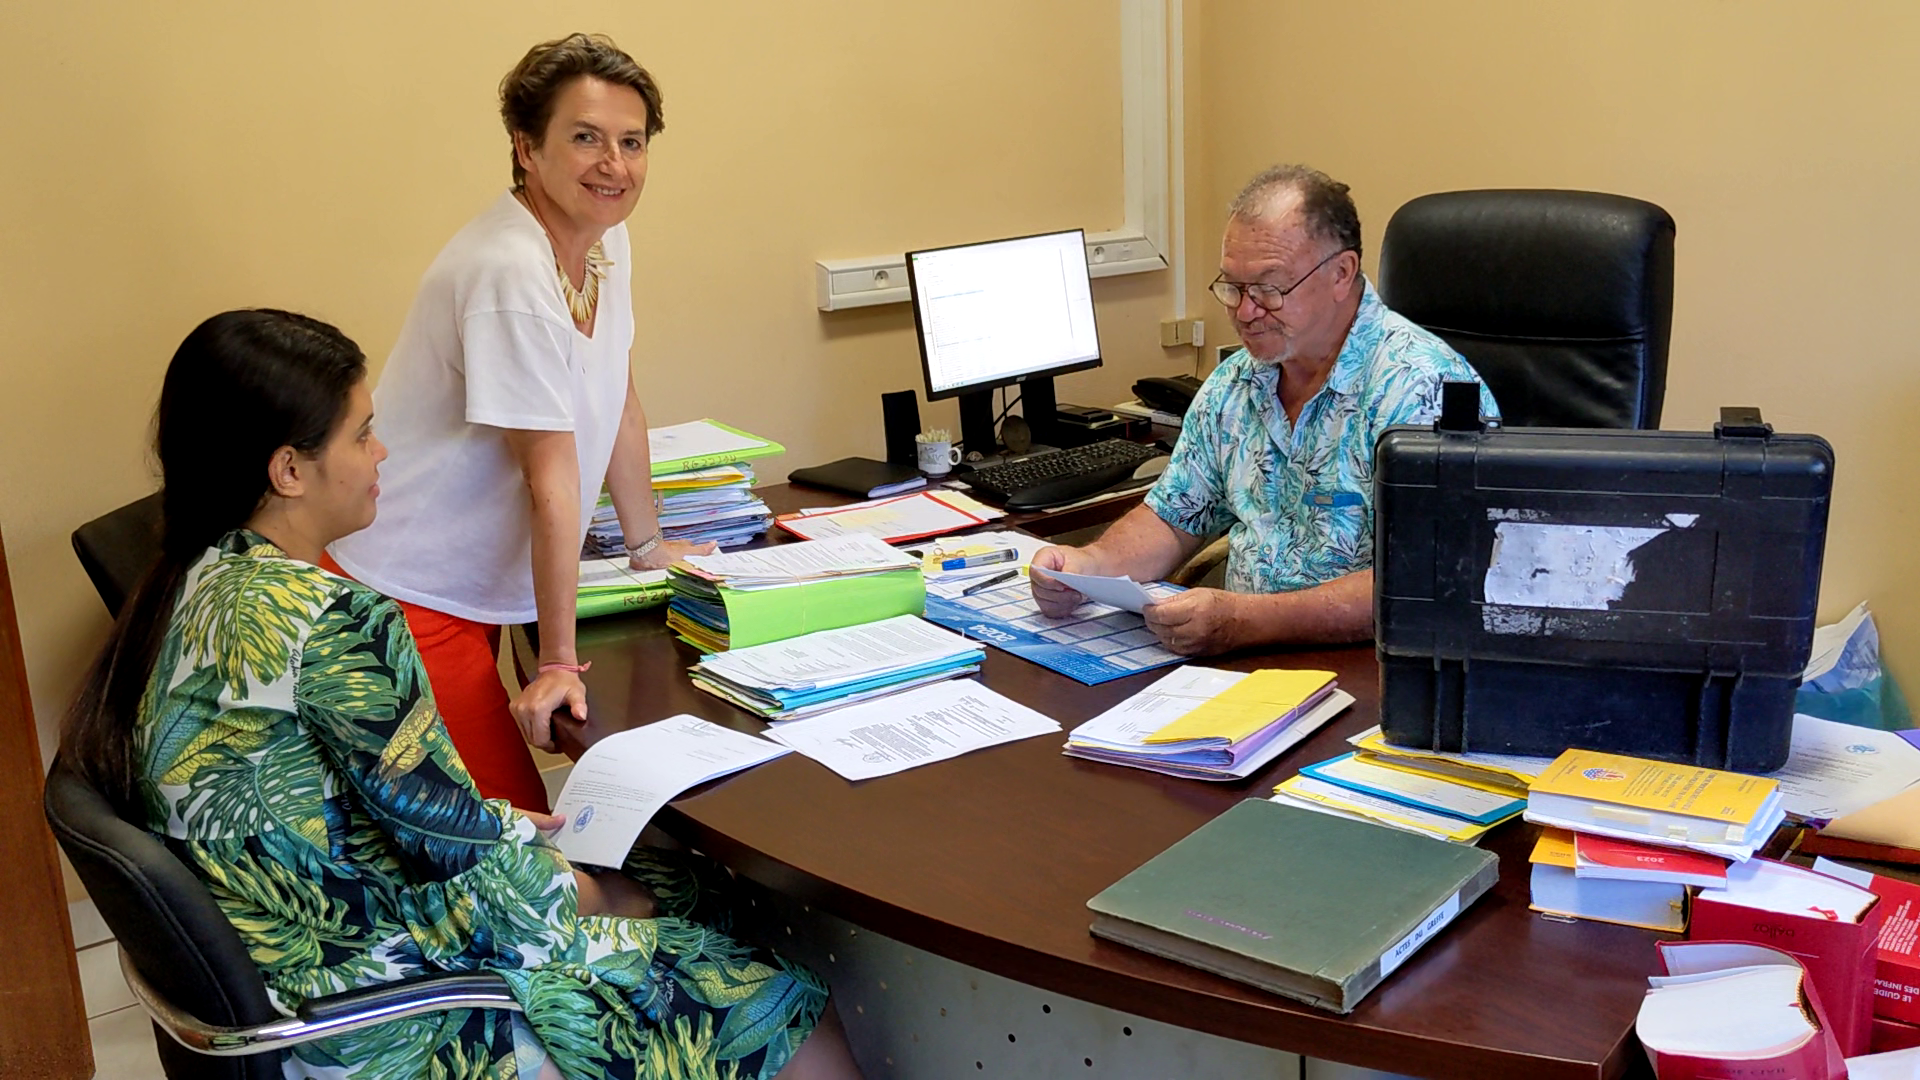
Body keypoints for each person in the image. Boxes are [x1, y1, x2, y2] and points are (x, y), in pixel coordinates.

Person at [60, 309, 862, 1080]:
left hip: (291, 955)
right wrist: (598, 896)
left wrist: (502, 831)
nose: (382, 454)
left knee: (675, 889)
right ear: (289, 470)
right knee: (774, 989)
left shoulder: (183, 586)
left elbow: (395, 813)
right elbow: (468, 872)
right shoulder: (335, 621)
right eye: (362, 434)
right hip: (381, 1012)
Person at [329, 34, 711, 811]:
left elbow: (618, 396)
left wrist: (646, 546)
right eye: (586, 138)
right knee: (508, 823)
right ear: (526, 148)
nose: (614, 165)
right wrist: (560, 663)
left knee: (522, 814)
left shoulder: (604, 240)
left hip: (472, 584)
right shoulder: (507, 269)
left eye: (632, 142)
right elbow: (551, 480)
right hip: (412, 591)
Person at [1031, 165, 1499, 655]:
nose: (1245, 312)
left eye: (1269, 290)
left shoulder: (1422, 390)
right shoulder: (1238, 379)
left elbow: (1431, 582)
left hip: (1372, 664)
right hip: (1240, 656)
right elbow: (1174, 516)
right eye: (1233, 287)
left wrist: (1245, 621)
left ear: (1341, 274)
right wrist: (1089, 567)